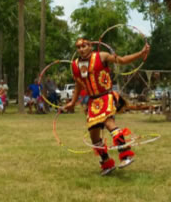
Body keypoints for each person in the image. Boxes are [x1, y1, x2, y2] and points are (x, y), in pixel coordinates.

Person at [64, 38, 150, 176]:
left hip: (106, 96)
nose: (81, 49)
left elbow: (121, 60)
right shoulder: (75, 65)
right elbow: (79, 85)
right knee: (94, 135)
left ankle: (126, 155)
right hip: (93, 102)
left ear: (90, 46)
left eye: (84, 46)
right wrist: (73, 102)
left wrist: (141, 53)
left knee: (109, 123)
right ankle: (107, 164)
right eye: (78, 47)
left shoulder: (101, 56)